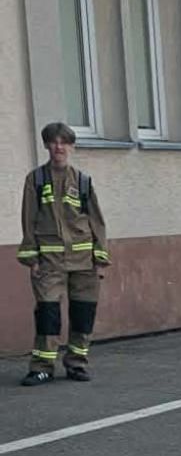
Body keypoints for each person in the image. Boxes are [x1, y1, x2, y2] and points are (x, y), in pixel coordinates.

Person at [17, 121, 108, 385]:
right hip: (49, 262)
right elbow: (28, 219)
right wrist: (31, 258)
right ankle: (42, 367)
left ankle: (77, 364)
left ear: (71, 146)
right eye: (54, 142)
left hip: (84, 262)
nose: (59, 147)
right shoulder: (36, 179)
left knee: (82, 314)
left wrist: (100, 258)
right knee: (48, 314)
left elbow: (97, 222)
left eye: (64, 142)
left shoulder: (82, 181)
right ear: (46, 145)